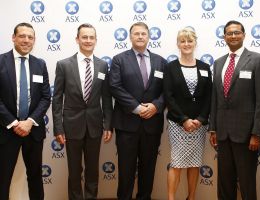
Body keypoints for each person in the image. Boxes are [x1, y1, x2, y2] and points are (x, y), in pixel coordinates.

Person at [209, 20, 260, 200]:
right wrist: (213, 128)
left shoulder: (258, 60)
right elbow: (215, 98)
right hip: (222, 134)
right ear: (224, 37)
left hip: (246, 135)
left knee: (247, 183)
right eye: (229, 33)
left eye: (237, 32)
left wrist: (257, 133)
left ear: (244, 35)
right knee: (224, 183)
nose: (233, 36)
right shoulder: (219, 63)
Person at [52, 23, 113, 200]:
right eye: (84, 37)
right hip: (71, 126)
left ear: (96, 40)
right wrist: (58, 128)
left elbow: (107, 98)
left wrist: (108, 124)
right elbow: (57, 99)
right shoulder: (63, 65)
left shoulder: (102, 65)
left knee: (93, 169)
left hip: (95, 126)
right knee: (74, 170)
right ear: (77, 39)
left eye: (91, 37)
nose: (88, 40)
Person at [109, 22, 167, 200]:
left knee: (148, 169)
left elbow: (167, 90)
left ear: (149, 37)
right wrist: (138, 108)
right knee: (126, 169)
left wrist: (156, 106)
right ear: (130, 37)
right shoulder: (119, 59)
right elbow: (115, 87)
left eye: (143, 34)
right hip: (127, 124)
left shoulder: (161, 61)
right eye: (136, 34)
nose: (140, 36)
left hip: (152, 124)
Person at [0, 22, 51, 200]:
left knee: (36, 177)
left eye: (30, 37)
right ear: (13, 38)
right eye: (22, 36)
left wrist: (29, 122)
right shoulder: (0, 61)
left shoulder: (40, 64)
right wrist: (14, 123)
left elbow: (46, 97)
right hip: (6, 130)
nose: (26, 40)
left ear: (34, 40)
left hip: (33, 130)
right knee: (3, 178)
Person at [164, 27, 212, 200]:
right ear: (178, 44)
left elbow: (209, 97)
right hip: (178, 125)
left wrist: (200, 119)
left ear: (195, 43)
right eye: (183, 41)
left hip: (199, 126)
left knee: (194, 163)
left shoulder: (205, 67)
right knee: (176, 163)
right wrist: (184, 120)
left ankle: (191, 197)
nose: (186, 44)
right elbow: (169, 97)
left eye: (190, 40)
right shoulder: (170, 68)